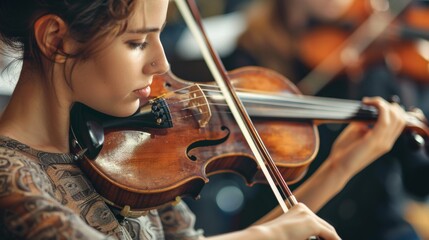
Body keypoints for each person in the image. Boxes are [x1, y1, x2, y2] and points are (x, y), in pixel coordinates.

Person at [0, 0, 407, 239]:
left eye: (159, 37)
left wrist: (341, 165)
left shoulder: (127, 153)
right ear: (56, 39)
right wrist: (269, 235)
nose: (161, 62)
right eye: (137, 42)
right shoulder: (9, 175)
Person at [225, 0, 429, 239]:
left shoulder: (381, 61)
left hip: (377, 225)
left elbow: (418, 181)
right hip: (282, 219)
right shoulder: (252, 54)